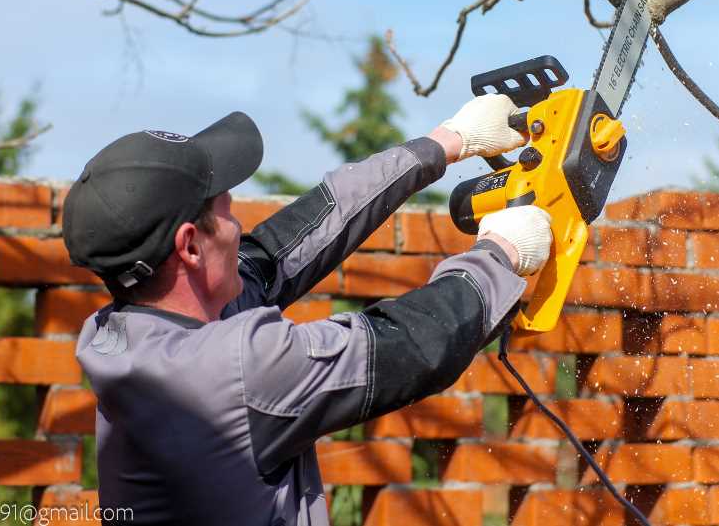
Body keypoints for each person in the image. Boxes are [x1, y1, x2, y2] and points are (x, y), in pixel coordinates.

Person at [63, 96, 553, 526]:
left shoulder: (132, 333)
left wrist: (445, 142)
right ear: (190, 247)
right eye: (228, 209)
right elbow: (409, 345)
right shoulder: (230, 373)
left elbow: (289, 243)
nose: (238, 227)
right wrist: (499, 254)